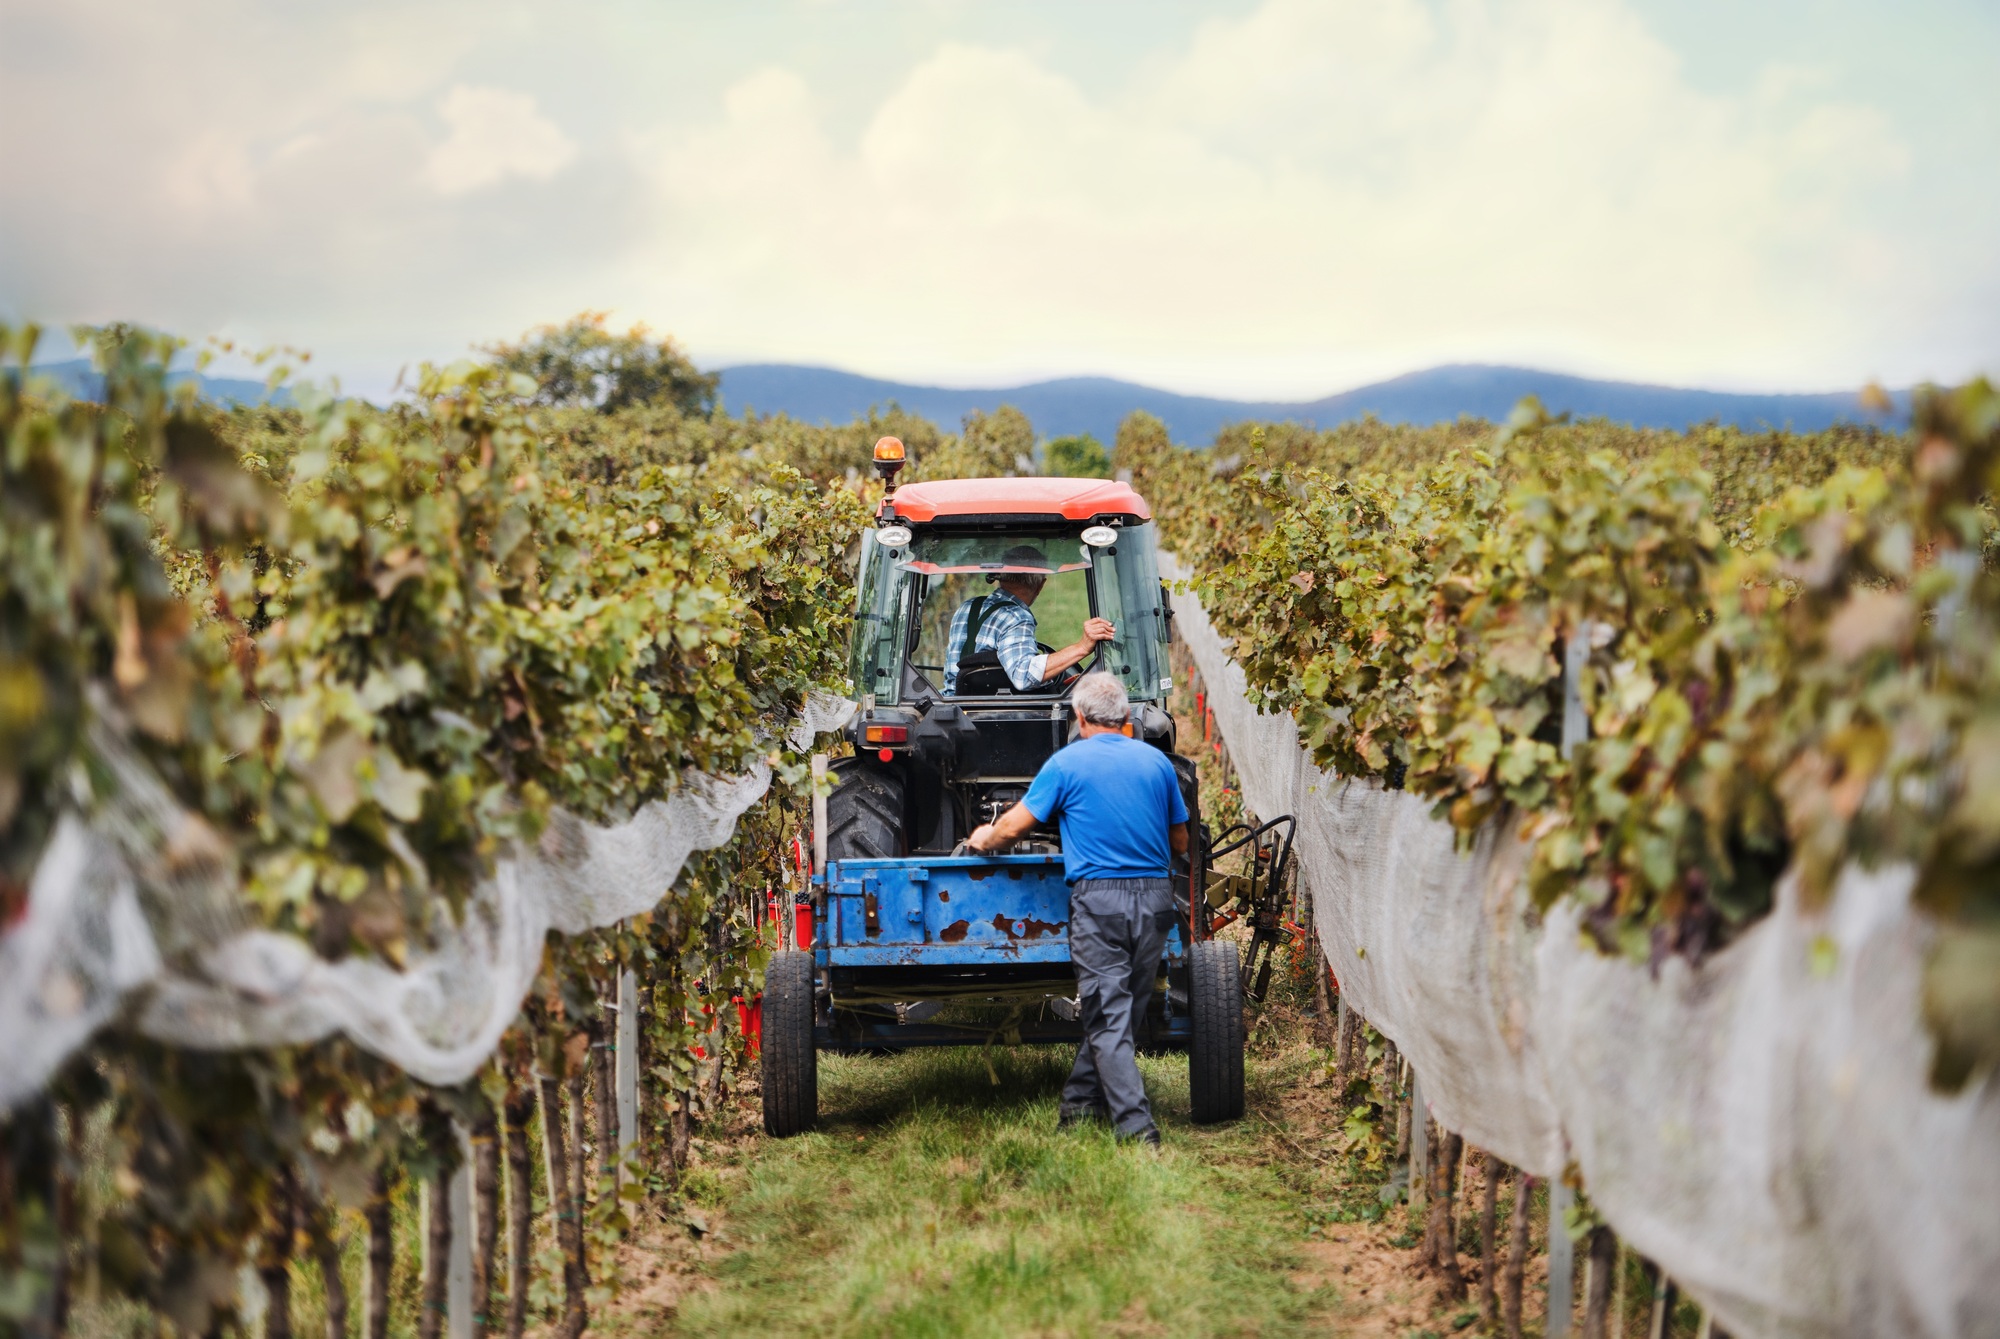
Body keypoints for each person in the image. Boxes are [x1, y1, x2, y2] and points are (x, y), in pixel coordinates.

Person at [965, 672, 1189, 1145]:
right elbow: (1180, 840)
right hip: (1155, 899)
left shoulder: (1066, 765)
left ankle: (1136, 1129)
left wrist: (982, 837)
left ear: (1079, 717)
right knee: (1121, 1011)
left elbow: (1011, 830)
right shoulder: (1158, 764)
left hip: (1101, 901)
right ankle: (1077, 1109)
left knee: (1110, 1015)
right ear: (1127, 718)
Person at [942, 544, 1115, 694]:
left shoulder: (967, 607)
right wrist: (1082, 647)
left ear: (1000, 576)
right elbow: (1023, 676)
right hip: (992, 716)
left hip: (950, 708)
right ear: (1040, 585)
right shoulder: (1016, 617)